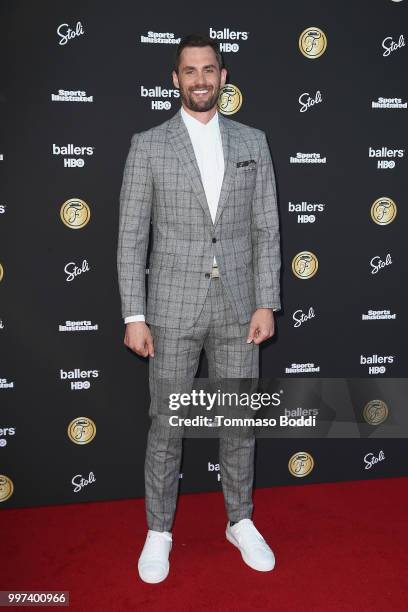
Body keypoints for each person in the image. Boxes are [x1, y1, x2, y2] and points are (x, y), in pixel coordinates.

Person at [117, 32, 281, 584]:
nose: (200, 80)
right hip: (171, 309)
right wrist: (133, 315)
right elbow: (130, 237)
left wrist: (266, 302)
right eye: (190, 71)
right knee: (167, 426)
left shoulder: (254, 142)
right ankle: (159, 531)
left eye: (209, 70)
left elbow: (266, 230)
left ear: (223, 77)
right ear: (175, 79)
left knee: (238, 424)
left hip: (239, 308)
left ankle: (240, 520)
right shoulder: (149, 145)